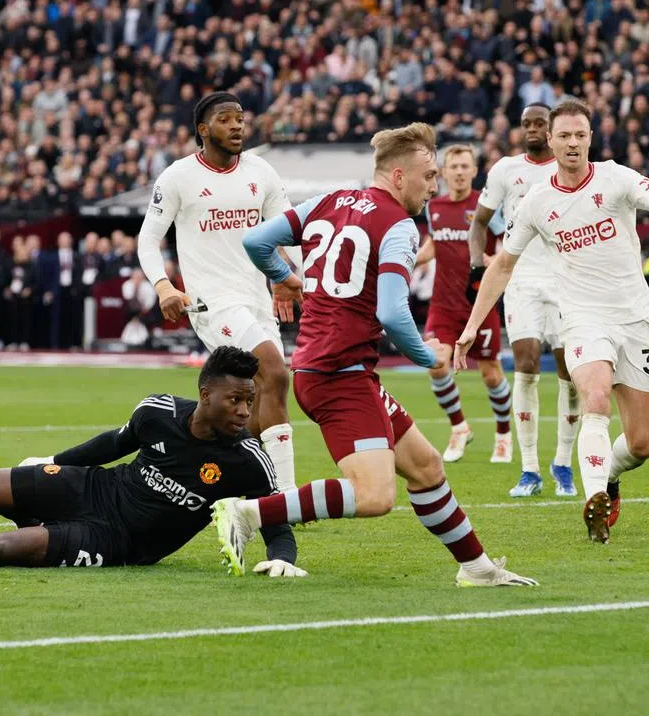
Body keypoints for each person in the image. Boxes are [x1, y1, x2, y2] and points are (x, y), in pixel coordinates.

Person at [220, 122, 536, 587]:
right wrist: (429, 358)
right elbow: (391, 311)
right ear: (399, 175)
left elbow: (256, 242)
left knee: (426, 466)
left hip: (329, 366)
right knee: (374, 496)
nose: (435, 185)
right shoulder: (399, 226)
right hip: (338, 374)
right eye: (429, 175)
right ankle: (247, 513)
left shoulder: (328, 201)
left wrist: (288, 278)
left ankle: (478, 569)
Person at [455, 99, 649, 543]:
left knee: (642, 443)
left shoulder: (616, 178)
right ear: (550, 139)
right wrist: (472, 325)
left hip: (636, 318)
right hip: (583, 319)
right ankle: (596, 501)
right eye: (563, 135)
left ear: (590, 138)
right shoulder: (536, 201)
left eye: (579, 135)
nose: (571, 143)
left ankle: (611, 479)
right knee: (596, 399)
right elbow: (503, 265)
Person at [0, 347, 304, 576]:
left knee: (11, 550)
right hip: (97, 489)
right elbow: (111, 446)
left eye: (250, 401)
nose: (245, 412)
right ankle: (48, 531)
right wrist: (53, 461)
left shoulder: (248, 462)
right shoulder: (158, 412)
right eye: (236, 400)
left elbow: (276, 520)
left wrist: (281, 560)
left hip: (118, 540)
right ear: (205, 394)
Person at [137, 91, 298, 492]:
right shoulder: (178, 177)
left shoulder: (261, 171)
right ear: (203, 130)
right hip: (213, 303)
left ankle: (246, 488)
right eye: (226, 119)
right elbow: (147, 240)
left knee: (256, 396)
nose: (237, 125)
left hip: (256, 298)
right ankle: (284, 495)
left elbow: (290, 234)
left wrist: (293, 277)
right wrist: (163, 286)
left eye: (240, 118)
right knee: (275, 374)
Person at [467, 103, 580, 499]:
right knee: (527, 363)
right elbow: (479, 221)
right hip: (521, 279)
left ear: (551, 131)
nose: (532, 129)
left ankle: (563, 464)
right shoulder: (504, 171)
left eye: (539, 124)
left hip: (566, 279)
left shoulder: (569, 166)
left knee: (571, 372)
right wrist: (476, 265)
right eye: (526, 124)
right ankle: (530, 468)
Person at [414, 145, 512, 464]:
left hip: (479, 303)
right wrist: (409, 262)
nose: (458, 172)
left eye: (464, 166)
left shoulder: (486, 207)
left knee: (491, 374)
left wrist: (494, 260)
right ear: (443, 172)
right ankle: (459, 427)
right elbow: (433, 244)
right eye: (453, 166)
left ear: (474, 171)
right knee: (435, 363)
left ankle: (503, 435)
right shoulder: (435, 206)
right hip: (443, 304)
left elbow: (509, 245)